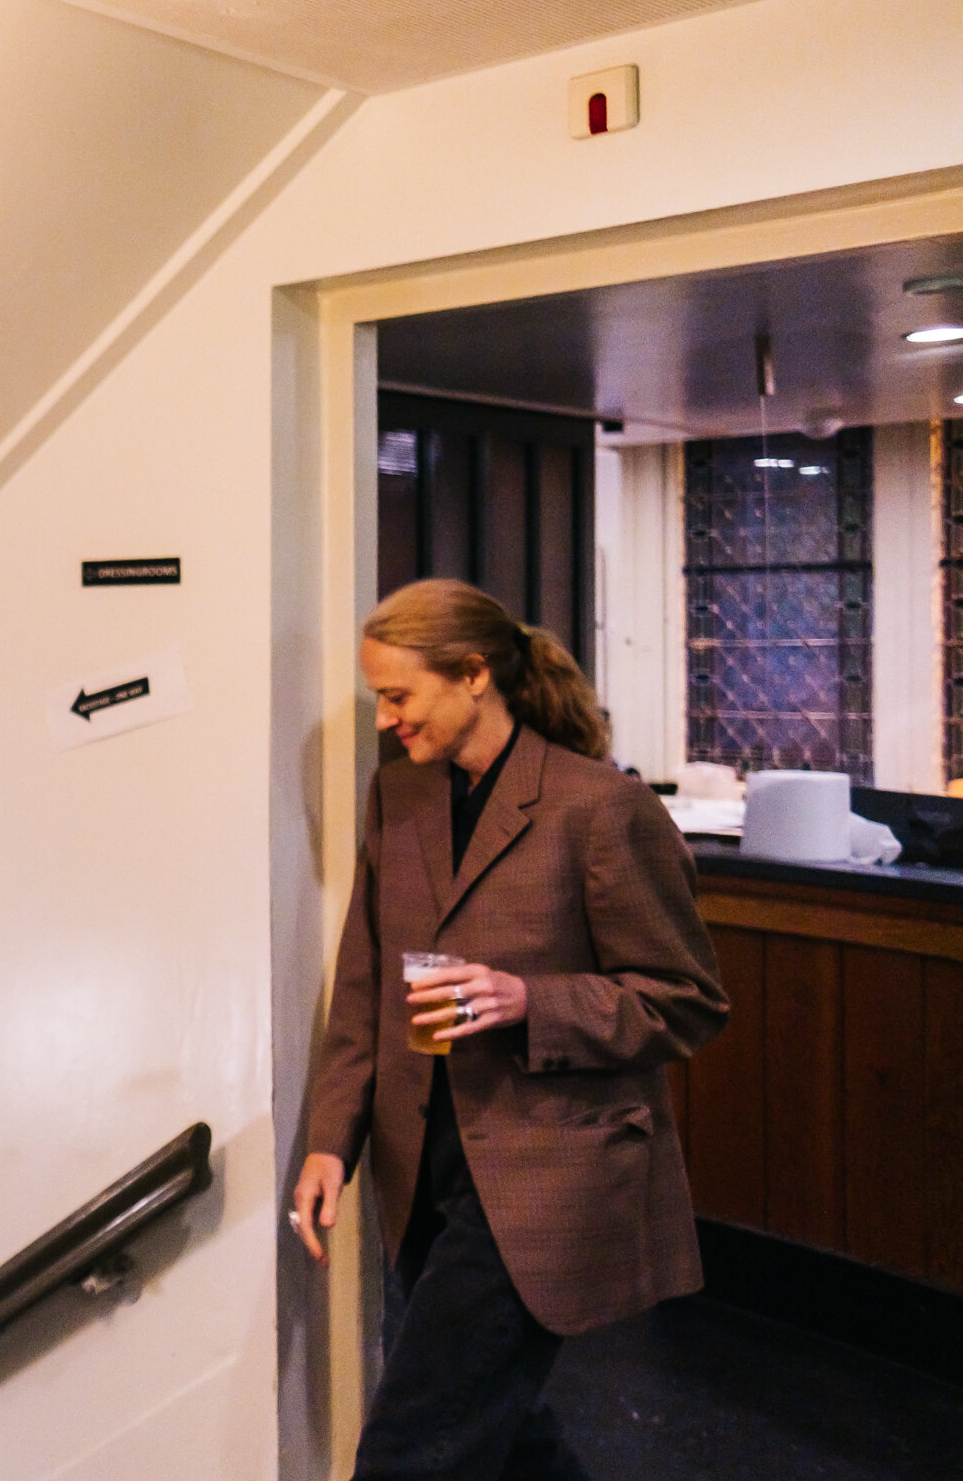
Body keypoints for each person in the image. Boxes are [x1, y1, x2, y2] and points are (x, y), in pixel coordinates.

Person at [289, 579, 728, 1480]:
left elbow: (684, 1001)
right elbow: (366, 990)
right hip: (422, 1174)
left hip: (546, 1172)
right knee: (500, 1431)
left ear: (474, 675)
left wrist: (532, 999)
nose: (386, 720)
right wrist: (333, 1140)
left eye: (400, 696)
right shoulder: (397, 799)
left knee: (413, 1450)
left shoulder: (598, 808)